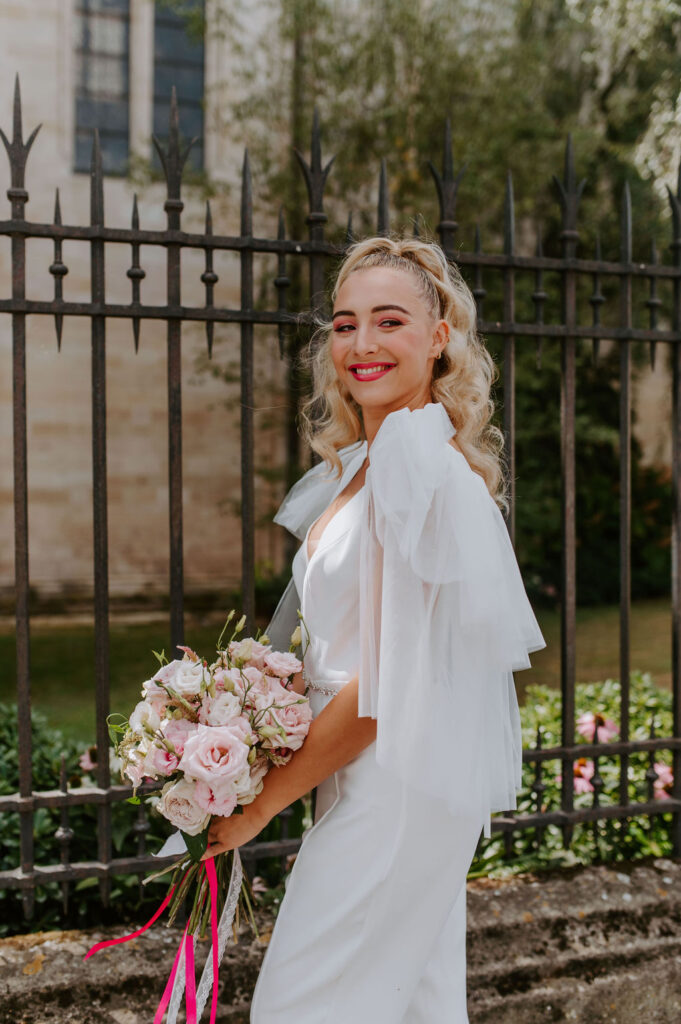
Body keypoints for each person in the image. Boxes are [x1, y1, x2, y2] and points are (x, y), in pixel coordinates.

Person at [202, 235, 546, 1022]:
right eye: (345, 322)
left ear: (438, 338)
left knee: (299, 1006)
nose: (361, 344)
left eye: (388, 321)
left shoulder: (411, 465)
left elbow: (386, 686)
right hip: (364, 769)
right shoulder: (361, 463)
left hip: (393, 776)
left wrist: (258, 804)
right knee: (411, 1003)